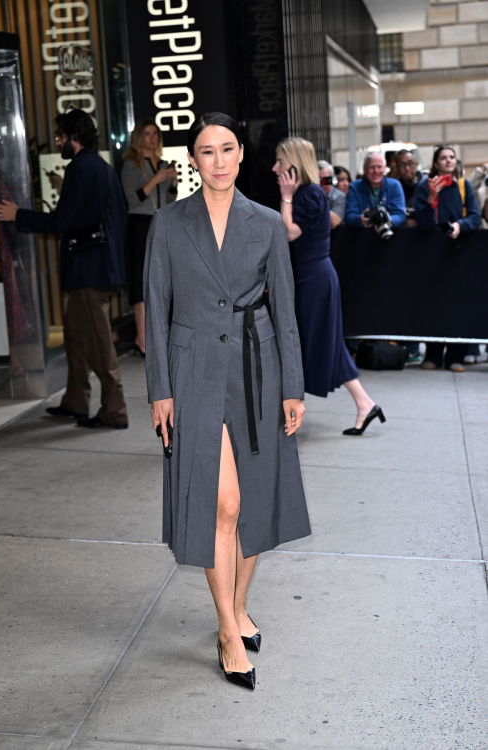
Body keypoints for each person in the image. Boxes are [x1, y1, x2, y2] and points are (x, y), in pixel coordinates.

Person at [144, 112, 311, 691]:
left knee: (253, 502)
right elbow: (157, 308)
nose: (217, 160)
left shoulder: (265, 223)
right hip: (192, 373)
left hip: (256, 368)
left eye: (227, 148)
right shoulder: (168, 224)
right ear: (194, 160)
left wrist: (294, 384)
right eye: (206, 151)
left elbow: (285, 309)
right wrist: (159, 389)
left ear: (242, 156)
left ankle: (239, 606)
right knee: (223, 504)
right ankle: (226, 629)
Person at [0, 109, 128, 428]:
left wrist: (17, 214)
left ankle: (115, 411)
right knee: (77, 340)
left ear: (74, 137)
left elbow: (62, 222)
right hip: (97, 268)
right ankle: (76, 402)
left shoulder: (81, 168)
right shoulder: (102, 167)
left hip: (89, 272)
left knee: (98, 343)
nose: (56, 142)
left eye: (60, 136)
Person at [272, 137, 385, 436]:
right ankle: (365, 404)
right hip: (312, 278)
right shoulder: (308, 193)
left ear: (293, 165)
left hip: (315, 280)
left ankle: (289, 414)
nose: (275, 168)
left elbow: (289, 233)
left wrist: (285, 196)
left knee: (300, 344)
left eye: (280, 162)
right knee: (324, 343)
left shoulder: (307, 195)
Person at [415, 145, 481, 373]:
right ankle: (433, 354)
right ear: (436, 163)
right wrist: (431, 197)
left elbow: (474, 216)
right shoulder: (424, 187)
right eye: (443, 158)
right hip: (431, 254)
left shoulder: (463, 186)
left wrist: (458, 226)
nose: (448, 160)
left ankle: (456, 357)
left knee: (458, 305)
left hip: (458, 251)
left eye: (452, 157)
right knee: (434, 305)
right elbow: (422, 222)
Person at [121, 118, 178, 355]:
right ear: (138, 138)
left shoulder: (163, 162)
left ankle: (161, 337)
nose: (152, 138)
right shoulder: (130, 165)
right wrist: (157, 179)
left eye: (155, 133)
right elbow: (133, 199)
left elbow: (171, 200)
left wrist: (173, 182)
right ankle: (142, 339)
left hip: (162, 223)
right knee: (141, 282)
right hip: (139, 226)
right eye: (147, 133)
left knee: (163, 281)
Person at [345, 151, 406, 231]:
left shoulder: (394, 185)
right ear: (364, 168)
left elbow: (400, 215)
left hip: (389, 238)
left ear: (385, 167)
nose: (376, 171)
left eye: (379, 167)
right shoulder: (354, 187)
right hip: (362, 238)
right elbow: (349, 216)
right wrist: (360, 219)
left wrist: (387, 222)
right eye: (371, 167)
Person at [395, 149, 425, 224]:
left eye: (410, 164)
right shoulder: (394, 187)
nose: (407, 169)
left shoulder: (426, 184)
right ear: (396, 168)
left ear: (416, 164)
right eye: (402, 165)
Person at [318, 160, 345, 229]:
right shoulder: (309, 194)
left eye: (326, 180)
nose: (322, 184)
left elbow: (334, 222)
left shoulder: (339, 196)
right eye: (319, 180)